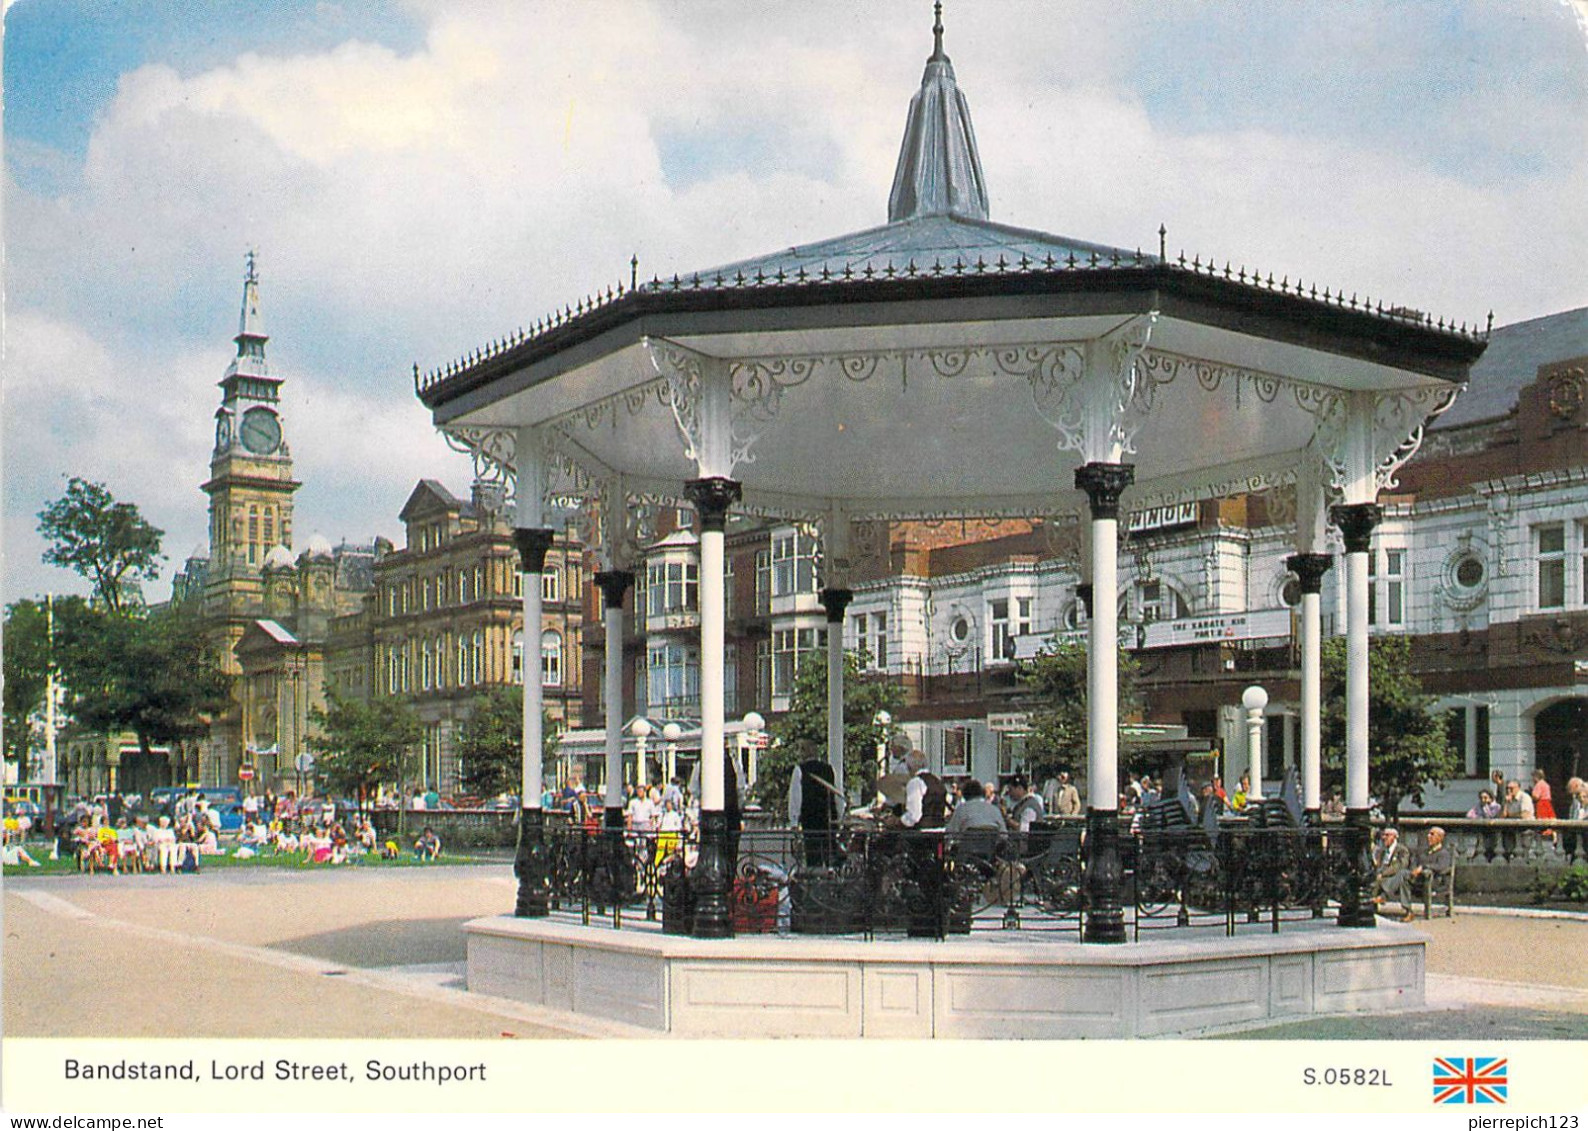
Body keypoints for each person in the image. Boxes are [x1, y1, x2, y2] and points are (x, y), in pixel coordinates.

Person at [1404, 826, 1454, 920]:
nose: (1428, 836)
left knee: (1406, 877)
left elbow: (1441, 867)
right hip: (1418, 879)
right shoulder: (1424, 851)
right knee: (1403, 876)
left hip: (1434, 881)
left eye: (1432, 834)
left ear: (1440, 838)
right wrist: (1414, 869)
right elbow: (1415, 861)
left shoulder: (1443, 853)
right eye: (1428, 834)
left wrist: (1424, 867)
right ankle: (1408, 911)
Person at [1372, 827, 1411, 914]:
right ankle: (1372, 905)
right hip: (1380, 873)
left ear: (1394, 837)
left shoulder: (1402, 850)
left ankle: (1383, 896)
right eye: (1383, 835)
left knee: (1399, 875)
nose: (1384, 837)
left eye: (1387, 835)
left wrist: (1383, 873)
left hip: (1393, 875)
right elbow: (1378, 864)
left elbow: (1400, 865)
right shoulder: (1382, 851)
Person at [1531, 769, 1557, 842]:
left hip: (1542, 803)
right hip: (1548, 803)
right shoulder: (1546, 784)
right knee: (1550, 818)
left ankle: (1544, 835)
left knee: (1542, 820)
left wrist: (1531, 794)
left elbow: (1536, 796)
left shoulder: (1539, 784)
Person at [1564, 777, 1586, 863]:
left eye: (1570, 789)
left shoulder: (1584, 794)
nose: (1569, 792)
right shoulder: (1575, 799)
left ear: (1576, 786)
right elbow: (1573, 815)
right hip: (1576, 830)